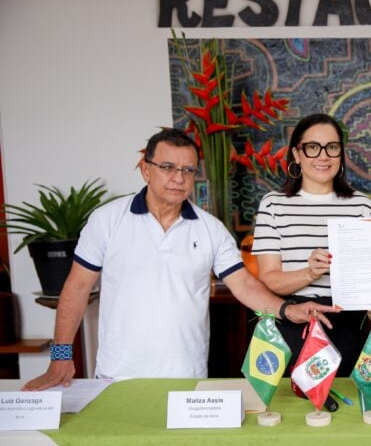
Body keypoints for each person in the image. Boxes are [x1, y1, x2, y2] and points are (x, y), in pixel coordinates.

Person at [23, 128, 334, 390]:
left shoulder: (211, 229)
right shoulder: (107, 220)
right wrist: (61, 356)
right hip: (117, 376)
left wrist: (287, 310)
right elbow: (77, 288)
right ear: (145, 169)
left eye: (187, 170)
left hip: (187, 376)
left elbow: (244, 286)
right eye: (168, 167)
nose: (178, 178)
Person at [252, 113, 371, 376]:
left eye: (332, 147)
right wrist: (310, 273)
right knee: (289, 400)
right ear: (297, 154)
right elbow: (269, 279)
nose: (323, 156)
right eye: (312, 147)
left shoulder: (362, 206)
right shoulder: (273, 204)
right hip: (292, 323)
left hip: (347, 325)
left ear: (341, 154)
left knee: (348, 399)